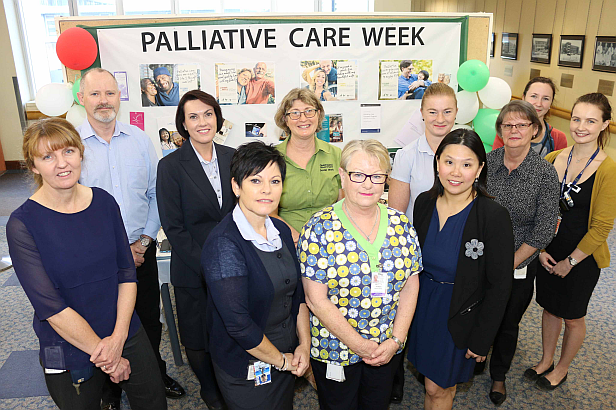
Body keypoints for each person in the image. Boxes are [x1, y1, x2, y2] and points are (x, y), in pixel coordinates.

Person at [7, 118, 167, 410]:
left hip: (123, 329)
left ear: (81, 153)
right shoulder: (22, 224)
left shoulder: (104, 203)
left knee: (154, 402)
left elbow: (126, 273)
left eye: (68, 151)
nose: (61, 164)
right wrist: (107, 355)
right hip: (67, 343)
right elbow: (50, 306)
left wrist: (118, 339)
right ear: (33, 166)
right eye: (47, 156)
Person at [76, 68, 185, 410]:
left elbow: (155, 193)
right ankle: (109, 391)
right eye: (95, 94)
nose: (104, 101)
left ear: (119, 97)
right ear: (82, 99)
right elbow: (70, 206)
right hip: (96, 259)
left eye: (110, 93)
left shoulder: (139, 139)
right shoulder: (72, 145)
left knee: (148, 319)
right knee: (101, 322)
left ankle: (154, 373)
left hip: (141, 251)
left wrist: (144, 241)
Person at [300, 139, 422, 410]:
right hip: (335, 350)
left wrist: (395, 340)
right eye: (358, 175)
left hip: (385, 348)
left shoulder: (401, 224)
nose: (368, 184)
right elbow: (315, 299)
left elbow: (410, 285)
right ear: (342, 176)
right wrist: (360, 345)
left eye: (377, 176)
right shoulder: (318, 229)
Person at [409, 129, 514, 410]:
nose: (456, 172)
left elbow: (500, 287)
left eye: (467, 164)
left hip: (459, 315)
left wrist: (482, 340)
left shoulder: (493, 217)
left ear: (479, 169)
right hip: (421, 308)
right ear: (437, 162)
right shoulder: (423, 203)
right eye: (449, 162)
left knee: (436, 387)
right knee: (436, 385)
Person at [202, 141, 311, 410]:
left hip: (286, 354)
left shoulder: (281, 232)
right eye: (256, 180)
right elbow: (239, 325)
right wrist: (282, 361)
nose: (267, 189)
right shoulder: (223, 245)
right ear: (236, 186)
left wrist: (304, 346)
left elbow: (298, 298)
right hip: (246, 365)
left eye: (275, 181)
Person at [529, 93, 616, 390]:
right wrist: (539, 248)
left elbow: (602, 226)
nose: (581, 126)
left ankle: (562, 369)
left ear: (605, 125)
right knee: (550, 308)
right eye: (577, 119)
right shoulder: (554, 159)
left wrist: (571, 261)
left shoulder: (608, 169)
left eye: (591, 121)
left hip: (582, 258)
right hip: (548, 252)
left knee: (573, 316)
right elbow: (540, 209)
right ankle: (546, 360)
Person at [157, 90, 235, 410]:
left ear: (217, 118)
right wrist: (207, 265)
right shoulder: (170, 166)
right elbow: (173, 227)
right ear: (183, 125)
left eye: (208, 114)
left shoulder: (234, 156)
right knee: (198, 335)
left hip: (234, 264)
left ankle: (232, 383)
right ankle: (209, 391)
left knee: (233, 327)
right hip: (193, 267)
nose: (202, 122)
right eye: (193, 116)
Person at [483, 100, 560, 405]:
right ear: (500, 130)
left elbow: (543, 229)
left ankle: (498, 376)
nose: (514, 130)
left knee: (507, 322)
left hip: (520, 264)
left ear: (534, 129)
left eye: (521, 125)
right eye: (507, 125)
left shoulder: (544, 173)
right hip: (480, 257)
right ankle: (471, 362)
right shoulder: (486, 164)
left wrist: (505, 265)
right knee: (475, 314)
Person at [388, 83, 458, 402]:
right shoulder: (407, 155)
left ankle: (436, 371)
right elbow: (396, 213)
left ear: (457, 113)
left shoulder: (468, 151)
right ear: (421, 114)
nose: (439, 118)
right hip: (416, 253)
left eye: (447, 111)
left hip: (455, 254)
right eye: (432, 111)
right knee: (405, 315)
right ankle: (399, 374)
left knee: (441, 322)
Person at [272, 88, 343, 244]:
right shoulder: (272, 159)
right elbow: (269, 213)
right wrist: (299, 239)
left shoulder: (336, 155)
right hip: (285, 243)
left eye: (309, 111)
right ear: (285, 119)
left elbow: (344, 206)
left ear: (318, 115)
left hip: (332, 241)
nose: (303, 119)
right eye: (295, 113)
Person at [492, 77, 567, 157]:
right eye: (534, 96)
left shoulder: (558, 138)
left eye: (545, 98)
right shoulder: (508, 130)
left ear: (551, 103)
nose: (539, 103)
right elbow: (494, 164)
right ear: (523, 98)